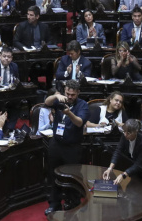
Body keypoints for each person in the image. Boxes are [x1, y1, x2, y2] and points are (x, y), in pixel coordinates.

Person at [43, 80, 89, 216]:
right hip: (56, 144)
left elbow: (79, 122)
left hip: (72, 147)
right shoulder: (60, 100)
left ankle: (72, 203)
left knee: (72, 177)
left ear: (78, 93)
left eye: (73, 95)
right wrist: (56, 96)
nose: (69, 97)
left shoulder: (83, 105)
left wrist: (69, 113)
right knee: (53, 174)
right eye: (67, 94)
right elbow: (47, 102)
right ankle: (54, 203)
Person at [102, 119, 142, 187]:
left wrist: (123, 175)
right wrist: (110, 168)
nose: (125, 134)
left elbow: (139, 164)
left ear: (136, 131)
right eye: (124, 131)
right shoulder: (124, 135)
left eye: (128, 133)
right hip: (138, 168)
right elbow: (118, 151)